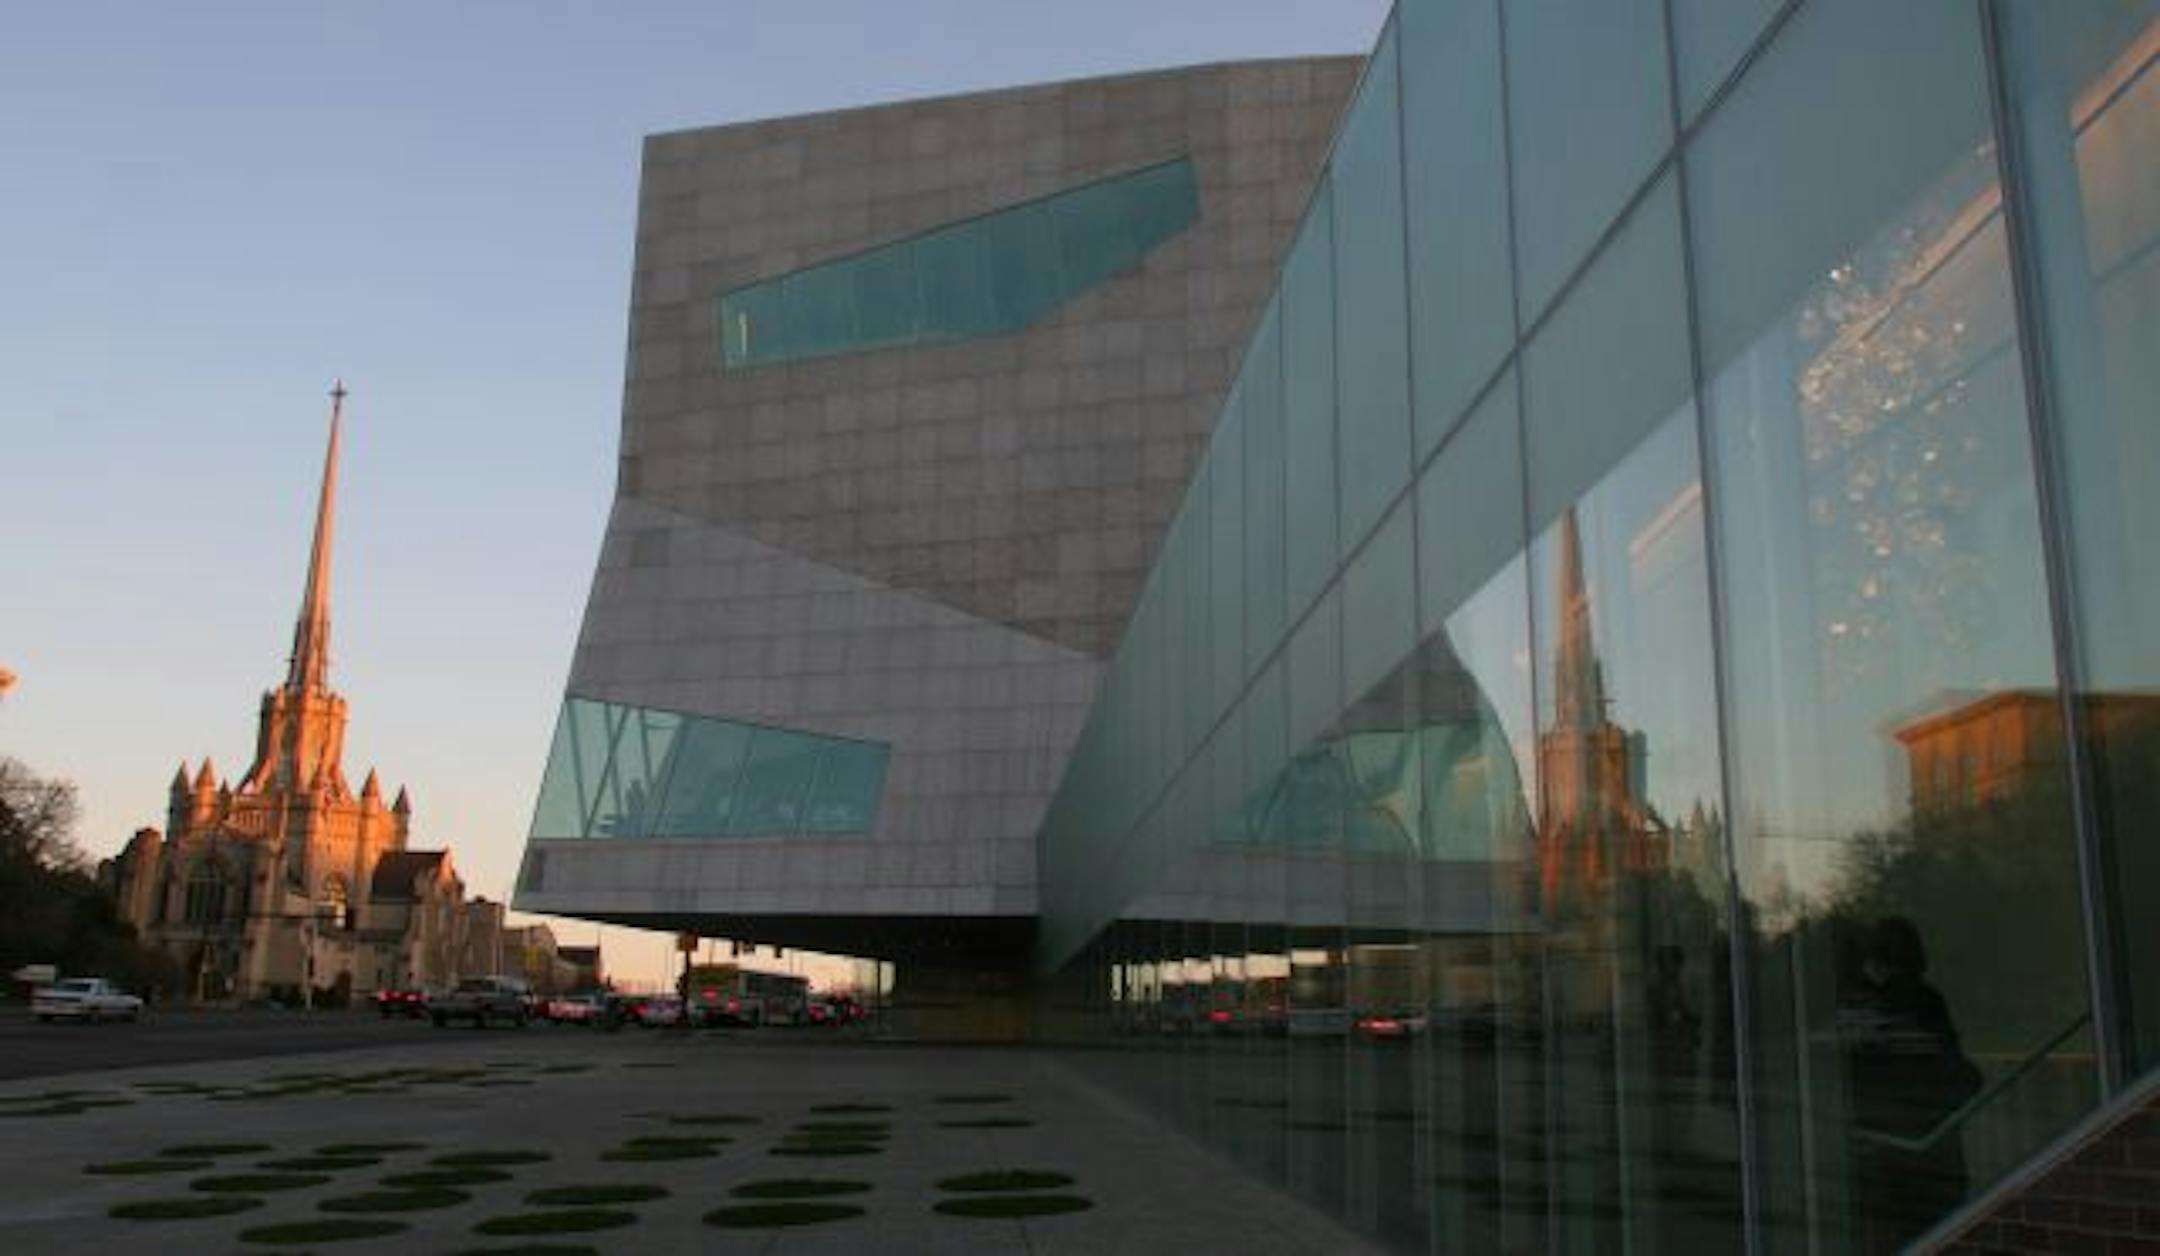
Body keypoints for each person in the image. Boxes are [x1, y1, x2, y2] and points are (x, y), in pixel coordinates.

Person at [1842, 915, 1981, 1254]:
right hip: (1927, 1146)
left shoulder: (1862, 1009)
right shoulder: (1923, 1002)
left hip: (1882, 1148)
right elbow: (1953, 1068)